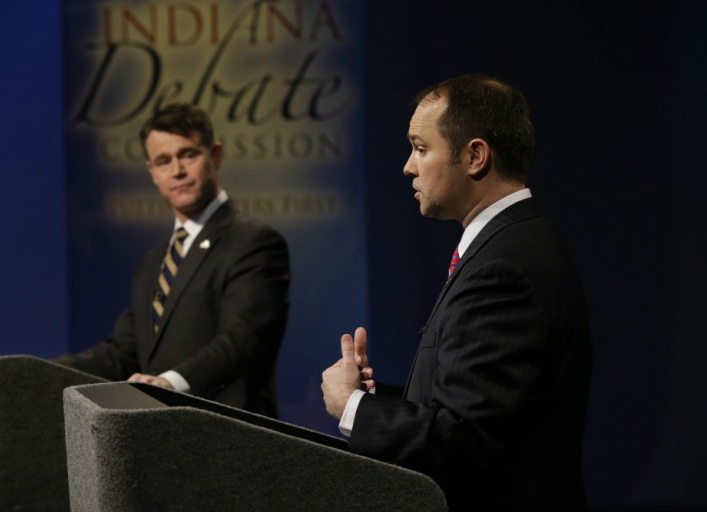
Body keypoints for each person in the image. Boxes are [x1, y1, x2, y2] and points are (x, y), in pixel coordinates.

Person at [321, 74, 592, 510]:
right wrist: (382, 402)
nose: (408, 166)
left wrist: (351, 406)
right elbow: (477, 410)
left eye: (421, 148)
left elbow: (463, 439)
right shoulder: (514, 242)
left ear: (475, 156)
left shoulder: (504, 268)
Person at [56, 103, 291, 417]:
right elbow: (122, 354)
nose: (177, 171)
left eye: (188, 155)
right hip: (161, 442)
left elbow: (243, 338)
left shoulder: (254, 242)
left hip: (230, 437)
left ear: (215, 155)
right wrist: (40, 371)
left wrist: (169, 384)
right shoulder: (153, 262)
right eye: (163, 161)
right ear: (152, 172)